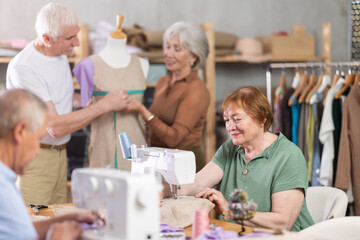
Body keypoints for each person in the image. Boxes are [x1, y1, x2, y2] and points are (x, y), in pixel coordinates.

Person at [6, 2, 129, 206]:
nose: (77, 44)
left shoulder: (59, 52)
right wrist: (104, 105)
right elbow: (54, 126)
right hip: (34, 159)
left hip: (59, 154)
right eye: (70, 39)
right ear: (47, 38)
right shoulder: (24, 68)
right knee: (33, 225)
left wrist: (86, 100)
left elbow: (52, 99)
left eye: (76, 35)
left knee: (57, 219)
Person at [163, 86, 314, 231]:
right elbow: (196, 183)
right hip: (238, 234)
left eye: (237, 119)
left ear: (261, 119)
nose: (229, 127)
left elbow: (283, 222)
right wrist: (161, 190)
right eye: (227, 120)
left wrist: (230, 209)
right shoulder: (230, 148)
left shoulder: (288, 156)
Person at [0, 89, 96, 240]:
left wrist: (68, 220)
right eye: (38, 139)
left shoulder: (5, 179)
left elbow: (20, 232)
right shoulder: (2, 189)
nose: (38, 151)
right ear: (20, 132)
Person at [125, 21, 210, 172]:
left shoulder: (197, 90)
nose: (168, 54)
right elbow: (154, 126)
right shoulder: (163, 81)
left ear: (194, 57)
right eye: (168, 46)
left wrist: (142, 111)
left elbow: (173, 138)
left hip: (184, 164)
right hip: (160, 160)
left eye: (177, 49)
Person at [73, 14, 149, 170]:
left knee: (137, 191)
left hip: (137, 145)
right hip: (103, 145)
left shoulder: (141, 63)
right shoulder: (87, 65)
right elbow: (86, 109)